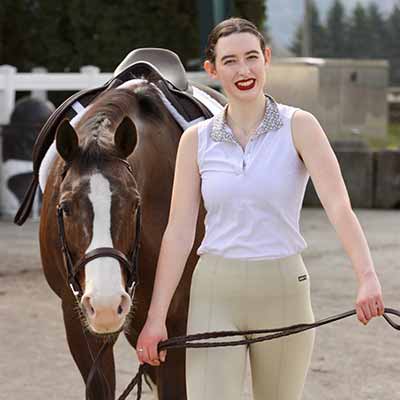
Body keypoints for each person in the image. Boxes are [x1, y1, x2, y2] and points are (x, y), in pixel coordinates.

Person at [135, 17, 385, 400]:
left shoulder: (300, 126)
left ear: (267, 58)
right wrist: (155, 318)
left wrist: (367, 276)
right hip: (215, 291)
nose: (244, 70)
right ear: (212, 69)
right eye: (230, 60)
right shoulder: (195, 140)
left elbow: (339, 207)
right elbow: (180, 232)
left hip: (284, 289)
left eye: (252, 57)